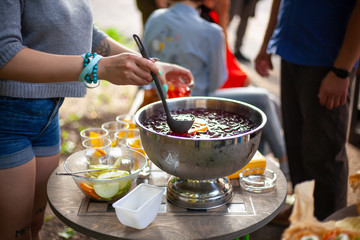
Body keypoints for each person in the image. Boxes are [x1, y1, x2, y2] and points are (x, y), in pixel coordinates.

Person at [0, 1, 193, 239]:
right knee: (15, 232)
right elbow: (4, 54)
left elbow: (85, 32)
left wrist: (153, 67)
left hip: (48, 112)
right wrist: (97, 67)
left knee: (34, 222)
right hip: (7, 118)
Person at [142, 0, 288, 174]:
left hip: (159, 98)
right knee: (263, 99)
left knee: (269, 101)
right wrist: (223, 19)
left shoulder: (155, 18)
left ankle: (267, 160)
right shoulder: (212, 31)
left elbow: (145, 61)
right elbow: (217, 81)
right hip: (197, 101)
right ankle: (284, 160)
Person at [255, 0, 360, 220]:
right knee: (296, 145)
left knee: (323, 155)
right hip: (292, 50)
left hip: (328, 60)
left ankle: (328, 228)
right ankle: (303, 214)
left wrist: (342, 70)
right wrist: (267, 43)